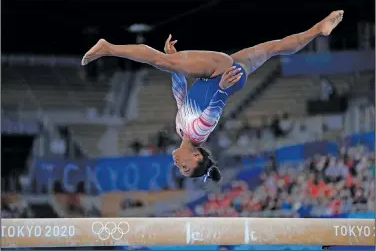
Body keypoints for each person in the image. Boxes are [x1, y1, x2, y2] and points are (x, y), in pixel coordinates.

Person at [82, 11, 344, 183]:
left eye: (180, 170)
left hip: (226, 74)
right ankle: (109, 48)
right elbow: (215, 110)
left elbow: (180, 94)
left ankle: (318, 29)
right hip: (221, 75)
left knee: (274, 48)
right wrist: (215, 85)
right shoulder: (199, 133)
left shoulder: (181, 128)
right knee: (161, 61)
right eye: (185, 168)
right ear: (197, 157)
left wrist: (175, 64)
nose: (178, 165)